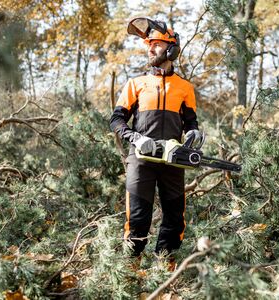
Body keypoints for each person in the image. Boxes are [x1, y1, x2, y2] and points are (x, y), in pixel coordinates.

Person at [109, 19, 201, 265]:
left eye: (156, 44)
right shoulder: (136, 84)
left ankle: (165, 267)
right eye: (148, 45)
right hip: (141, 160)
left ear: (171, 49)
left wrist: (194, 133)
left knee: (175, 218)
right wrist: (135, 138)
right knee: (138, 218)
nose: (150, 49)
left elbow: (191, 122)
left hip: (172, 159)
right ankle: (131, 268)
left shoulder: (184, 87)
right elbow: (116, 120)